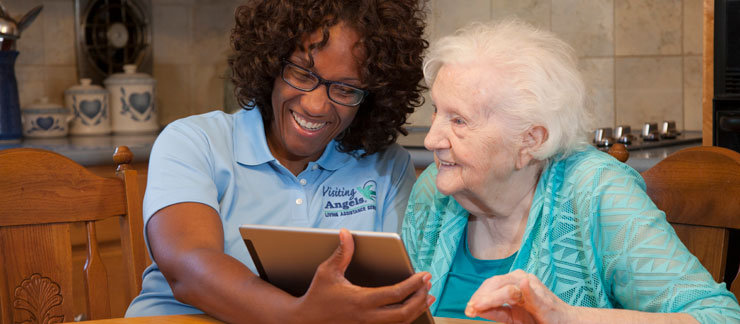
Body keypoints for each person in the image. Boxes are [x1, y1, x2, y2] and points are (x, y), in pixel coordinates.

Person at [402, 19, 740, 323]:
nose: (432, 139)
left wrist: (564, 317)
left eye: (459, 120)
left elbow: (718, 317)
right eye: (436, 111)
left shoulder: (596, 192)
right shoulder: (433, 190)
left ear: (530, 141)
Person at [125, 1, 434, 323]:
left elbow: (397, 291)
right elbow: (188, 269)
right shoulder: (194, 142)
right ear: (270, 62)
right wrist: (299, 316)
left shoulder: (387, 167)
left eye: (345, 89)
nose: (315, 106)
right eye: (301, 73)